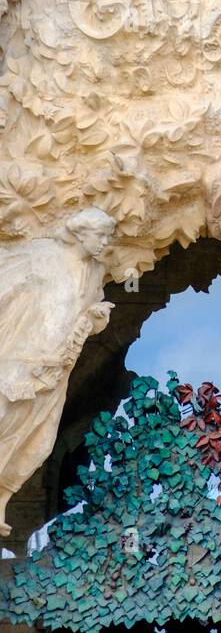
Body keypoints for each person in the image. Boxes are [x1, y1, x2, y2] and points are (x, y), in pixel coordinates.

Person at [0, 208, 115, 536]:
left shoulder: (96, 271)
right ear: (81, 232)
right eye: (101, 236)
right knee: (5, 421)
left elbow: (90, 311)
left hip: (57, 368)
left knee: (39, 441)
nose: (105, 243)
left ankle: (2, 498)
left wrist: (96, 318)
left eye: (108, 237)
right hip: (21, 362)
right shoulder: (42, 255)